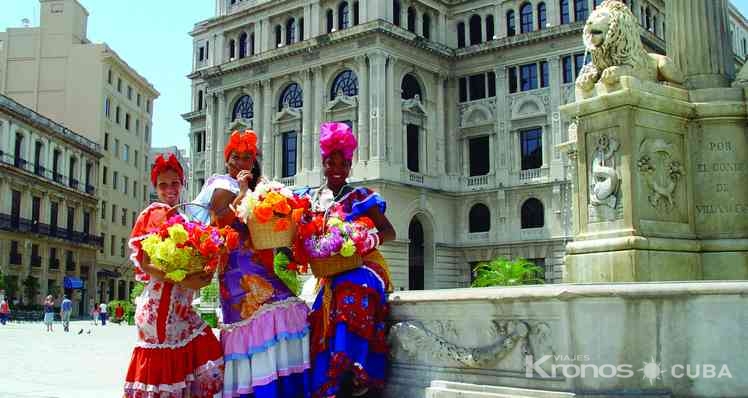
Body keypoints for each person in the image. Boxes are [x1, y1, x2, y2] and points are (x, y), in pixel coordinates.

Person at [187, 130, 311, 398]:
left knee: (286, 314)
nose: (241, 163)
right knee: (262, 325)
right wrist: (242, 192)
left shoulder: (259, 187)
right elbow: (224, 220)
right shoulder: (220, 185)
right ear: (227, 160)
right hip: (237, 271)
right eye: (236, 157)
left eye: (247, 158)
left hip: (260, 264)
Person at [303, 122, 396, 398]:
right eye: (331, 163)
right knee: (319, 314)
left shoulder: (360, 196)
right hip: (331, 270)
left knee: (351, 289)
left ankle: (358, 370)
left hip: (366, 263)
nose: (336, 169)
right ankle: (336, 380)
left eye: (342, 164)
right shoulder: (314, 200)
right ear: (323, 163)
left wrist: (367, 241)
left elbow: (389, 231)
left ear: (349, 166)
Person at [123, 153, 224, 398]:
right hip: (160, 309)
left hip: (179, 306)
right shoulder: (156, 213)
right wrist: (187, 280)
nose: (170, 189)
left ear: (183, 183)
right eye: (163, 184)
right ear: (155, 187)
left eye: (174, 183)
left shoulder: (184, 216)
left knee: (199, 353)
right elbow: (147, 265)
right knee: (168, 372)